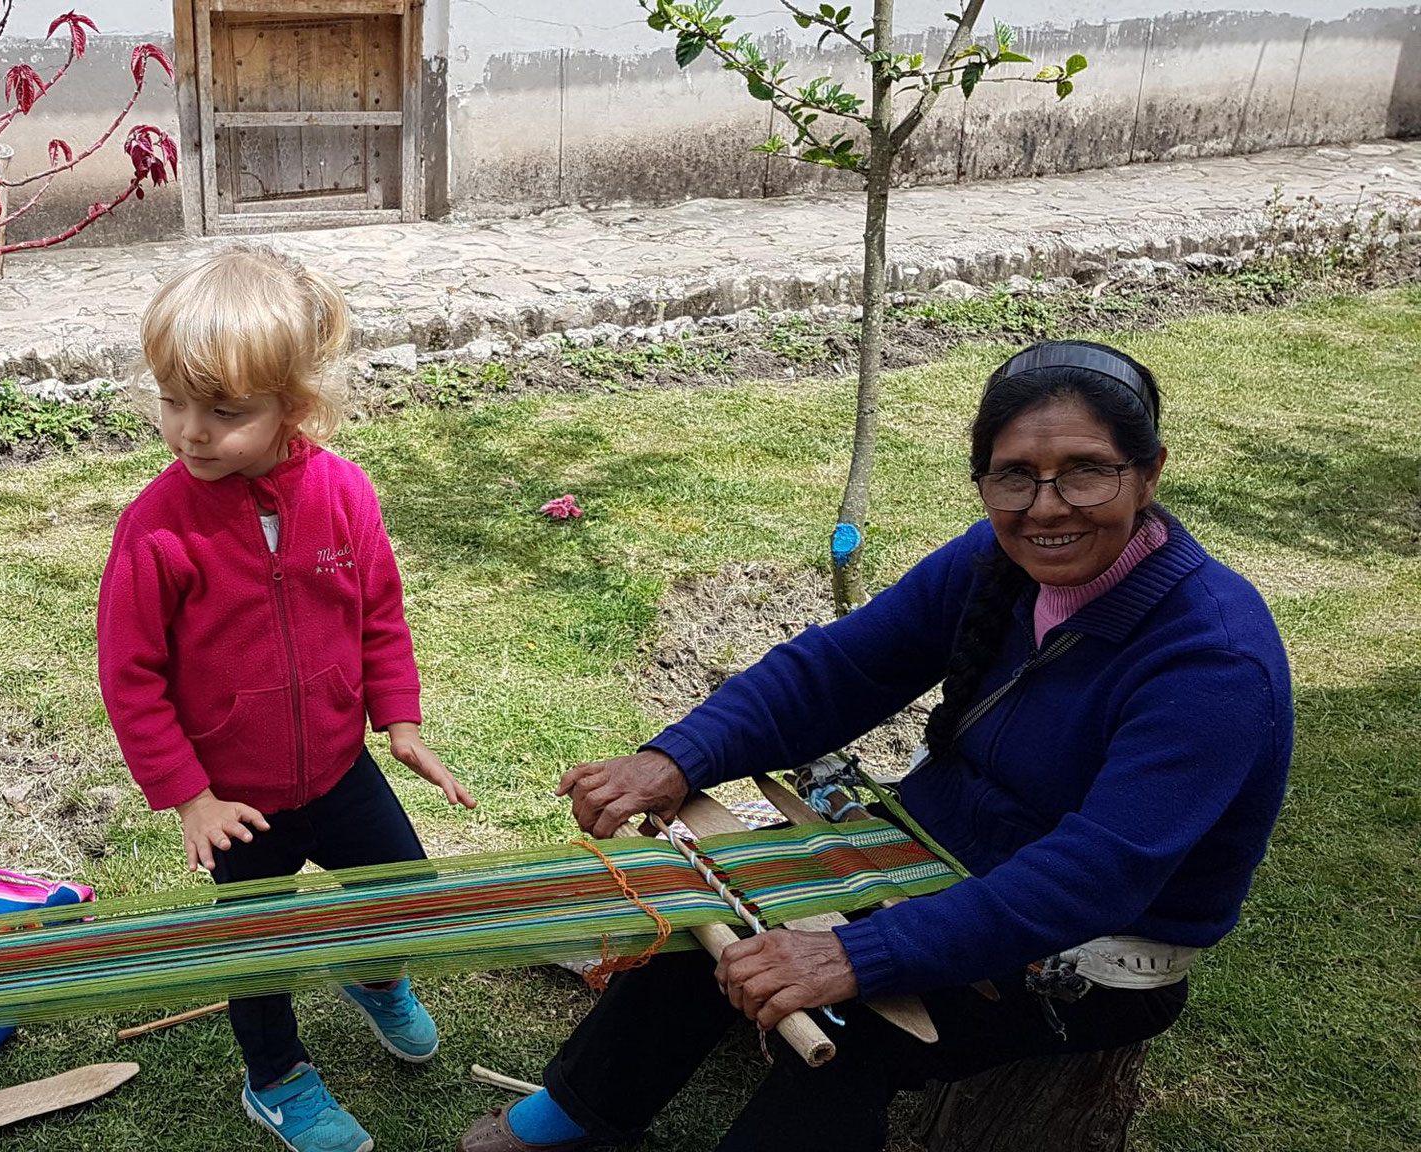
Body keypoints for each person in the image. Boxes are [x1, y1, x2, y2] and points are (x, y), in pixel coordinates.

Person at [461, 340, 1292, 1151]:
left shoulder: (1211, 657)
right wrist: (678, 758)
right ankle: (575, 1110)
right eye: (1014, 476)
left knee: (845, 1034)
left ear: (1148, 473)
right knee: (716, 901)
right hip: (926, 855)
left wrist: (858, 955)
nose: (1046, 506)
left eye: (1086, 470)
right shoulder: (993, 562)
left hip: (1087, 952)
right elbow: (842, 669)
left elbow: (1095, 875)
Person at [98, 244, 476, 1152]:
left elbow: (377, 611)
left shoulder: (342, 493)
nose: (190, 430)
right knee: (257, 951)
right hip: (241, 802)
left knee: (407, 889)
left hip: (341, 765)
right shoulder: (156, 532)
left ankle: (373, 974)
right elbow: (132, 677)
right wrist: (190, 796)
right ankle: (276, 1080)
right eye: (173, 400)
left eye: (224, 411)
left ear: (293, 407)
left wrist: (401, 719)